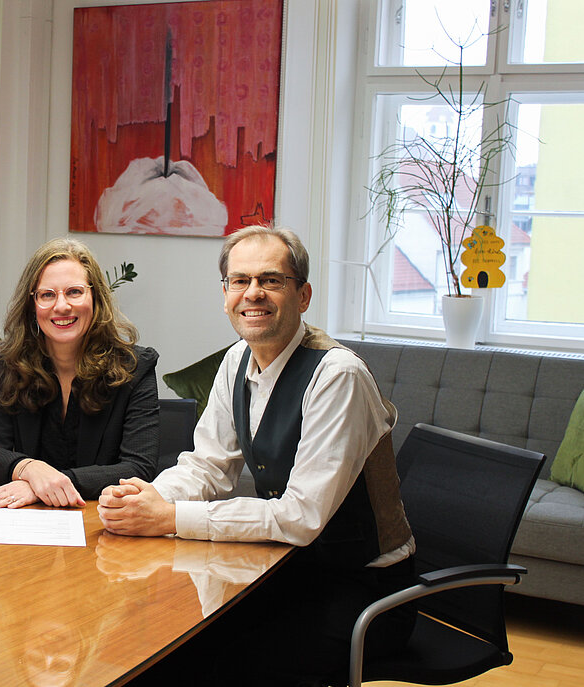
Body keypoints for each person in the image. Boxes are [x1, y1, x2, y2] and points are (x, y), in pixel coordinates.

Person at [97, 225, 416, 685]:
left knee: (223, 662)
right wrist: (146, 496)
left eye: (271, 280)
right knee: (168, 646)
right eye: (240, 280)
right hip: (287, 569)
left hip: (366, 593)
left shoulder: (338, 376)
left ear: (303, 296)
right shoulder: (236, 360)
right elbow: (207, 466)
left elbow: (300, 517)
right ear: (225, 293)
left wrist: (169, 517)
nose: (253, 293)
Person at [0, 237, 159, 508]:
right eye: (47, 295)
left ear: (95, 297)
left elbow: (138, 467)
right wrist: (29, 469)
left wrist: (45, 485)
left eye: (74, 292)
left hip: (100, 516)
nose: (61, 306)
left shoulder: (134, 367)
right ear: (32, 304)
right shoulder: (10, 361)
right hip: (27, 519)